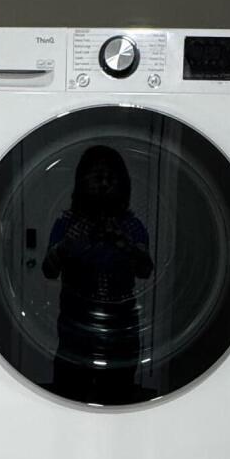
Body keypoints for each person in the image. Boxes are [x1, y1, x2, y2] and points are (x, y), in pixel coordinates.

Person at [41, 144, 153, 403]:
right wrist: (66, 245)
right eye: (96, 178)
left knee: (118, 391)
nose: (103, 185)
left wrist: (125, 243)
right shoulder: (67, 224)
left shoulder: (132, 226)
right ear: (82, 183)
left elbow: (145, 270)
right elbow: (48, 271)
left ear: (122, 185)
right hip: (75, 324)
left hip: (121, 326)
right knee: (70, 390)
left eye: (110, 179)